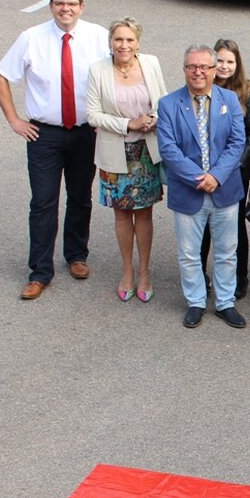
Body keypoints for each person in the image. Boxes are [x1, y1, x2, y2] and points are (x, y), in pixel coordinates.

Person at [0, 0, 109, 300]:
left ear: (81, 7)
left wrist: (108, 120)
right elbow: (0, 76)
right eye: (59, 3)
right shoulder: (31, 39)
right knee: (43, 202)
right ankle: (40, 272)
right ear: (51, 6)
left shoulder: (98, 37)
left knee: (80, 196)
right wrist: (14, 120)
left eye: (71, 3)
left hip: (87, 132)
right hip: (45, 134)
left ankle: (76, 255)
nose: (65, 9)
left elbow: (116, 76)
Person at [157, 45, 246, 329]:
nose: (198, 72)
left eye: (204, 67)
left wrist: (216, 176)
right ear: (184, 69)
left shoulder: (230, 99)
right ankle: (196, 301)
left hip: (225, 190)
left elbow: (237, 142)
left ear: (213, 70)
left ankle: (225, 302)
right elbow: (168, 150)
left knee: (226, 251)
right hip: (189, 191)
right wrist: (199, 177)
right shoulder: (168, 104)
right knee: (188, 252)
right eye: (191, 67)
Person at [85, 17, 166, 304]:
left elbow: (163, 102)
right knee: (121, 214)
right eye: (118, 39)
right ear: (110, 42)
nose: (124, 45)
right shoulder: (98, 70)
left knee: (143, 213)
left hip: (146, 153)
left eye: (129, 40)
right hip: (115, 152)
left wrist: (153, 119)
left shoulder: (151, 64)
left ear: (138, 43)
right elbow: (92, 114)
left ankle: (145, 273)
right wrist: (129, 124)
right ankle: (127, 272)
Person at [200, 38, 250, 301]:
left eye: (230, 61)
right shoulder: (201, 88)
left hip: (234, 171)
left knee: (235, 226)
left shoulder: (247, 94)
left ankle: (240, 276)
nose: (225, 66)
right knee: (203, 224)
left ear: (237, 64)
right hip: (204, 170)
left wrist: (230, 164)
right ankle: (201, 276)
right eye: (220, 60)